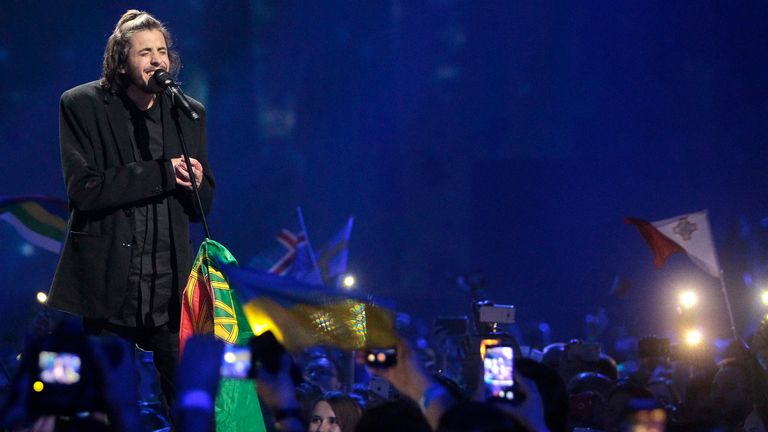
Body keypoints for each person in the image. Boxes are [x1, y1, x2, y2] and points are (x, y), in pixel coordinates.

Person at [47, 9, 214, 416]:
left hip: (169, 288)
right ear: (122, 61)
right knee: (113, 407)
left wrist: (195, 182)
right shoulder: (83, 105)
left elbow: (202, 207)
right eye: (145, 52)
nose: (158, 60)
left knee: (190, 407)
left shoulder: (187, 112)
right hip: (110, 286)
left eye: (162, 51)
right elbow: (84, 191)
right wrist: (161, 172)